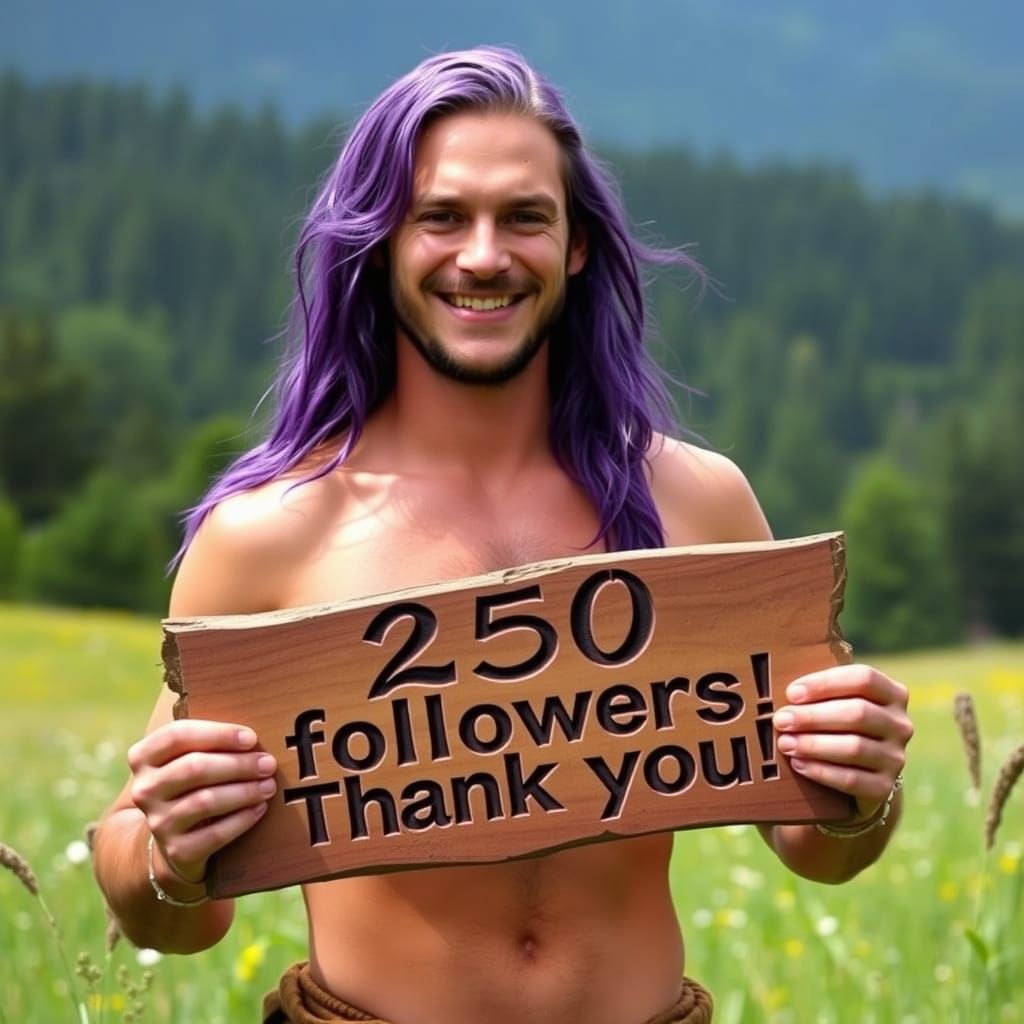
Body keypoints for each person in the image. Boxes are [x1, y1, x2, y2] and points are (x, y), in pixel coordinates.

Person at [93, 47, 913, 1024]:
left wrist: (864, 788)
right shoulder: (270, 536)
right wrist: (169, 852)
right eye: (441, 217)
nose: (483, 255)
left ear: (575, 245)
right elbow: (169, 913)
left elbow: (818, 847)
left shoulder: (698, 505)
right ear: (380, 243)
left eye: (525, 216)